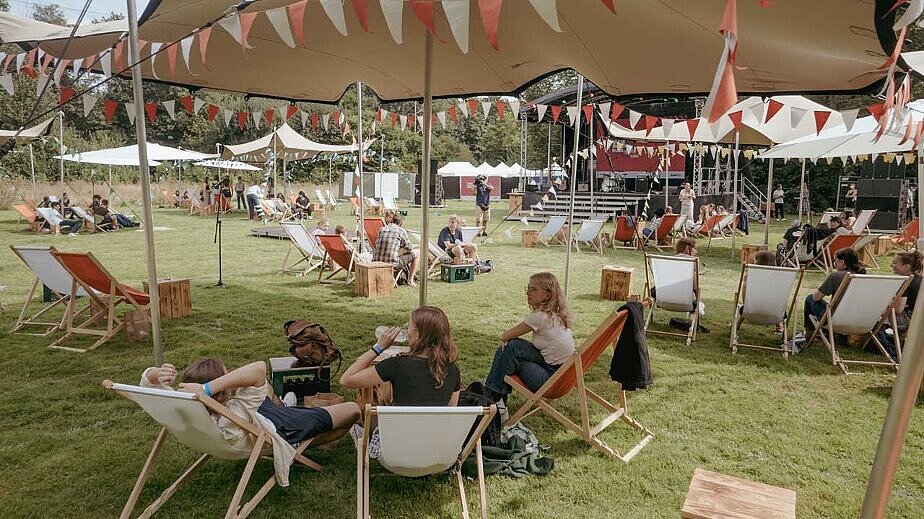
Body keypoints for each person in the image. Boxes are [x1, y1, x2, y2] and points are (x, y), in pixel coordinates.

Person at [141, 360, 359, 485]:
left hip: (254, 416)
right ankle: (296, 441)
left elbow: (146, 386)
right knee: (353, 410)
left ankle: (285, 405)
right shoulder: (235, 414)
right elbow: (258, 369)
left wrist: (154, 374)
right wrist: (207, 389)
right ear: (221, 392)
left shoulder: (183, 408)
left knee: (265, 392)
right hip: (277, 428)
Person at [483, 272, 574, 419]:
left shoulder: (540, 317)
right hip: (564, 374)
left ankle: (492, 398)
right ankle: (496, 399)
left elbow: (505, 336)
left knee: (509, 351)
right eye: (528, 288)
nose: (528, 293)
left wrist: (508, 342)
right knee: (511, 348)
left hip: (551, 380)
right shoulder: (557, 313)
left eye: (533, 289)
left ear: (548, 295)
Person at [340, 306, 462, 406]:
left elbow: (346, 380)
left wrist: (379, 347)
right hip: (435, 435)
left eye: (409, 326)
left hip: (396, 434)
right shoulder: (453, 371)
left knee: (357, 424)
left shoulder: (396, 365)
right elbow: (450, 413)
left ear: (418, 335)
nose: (407, 331)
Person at [801, 247, 867, 338]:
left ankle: (810, 334)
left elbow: (816, 297)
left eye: (835, 261)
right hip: (857, 319)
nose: (834, 264)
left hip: (835, 320)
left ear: (842, 262)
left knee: (809, 298)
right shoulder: (863, 277)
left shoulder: (836, 276)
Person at [875, 251, 923, 358]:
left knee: (877, 315)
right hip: (919, 319)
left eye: (895, 262)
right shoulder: (919, 279)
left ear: (907, 266)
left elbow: (897, 310)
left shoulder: (906, 281)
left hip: (912, 320)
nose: (892, 265)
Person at [373, 213, 419, 287]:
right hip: (392, 264)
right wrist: (404, 250)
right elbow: (409, 247)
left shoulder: (382, 229)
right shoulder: (400, 231)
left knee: (399, 252)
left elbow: (376, 244)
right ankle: (410, 281)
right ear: (400, 222)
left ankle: (403, 276)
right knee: (417, 253)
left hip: (376, 262)